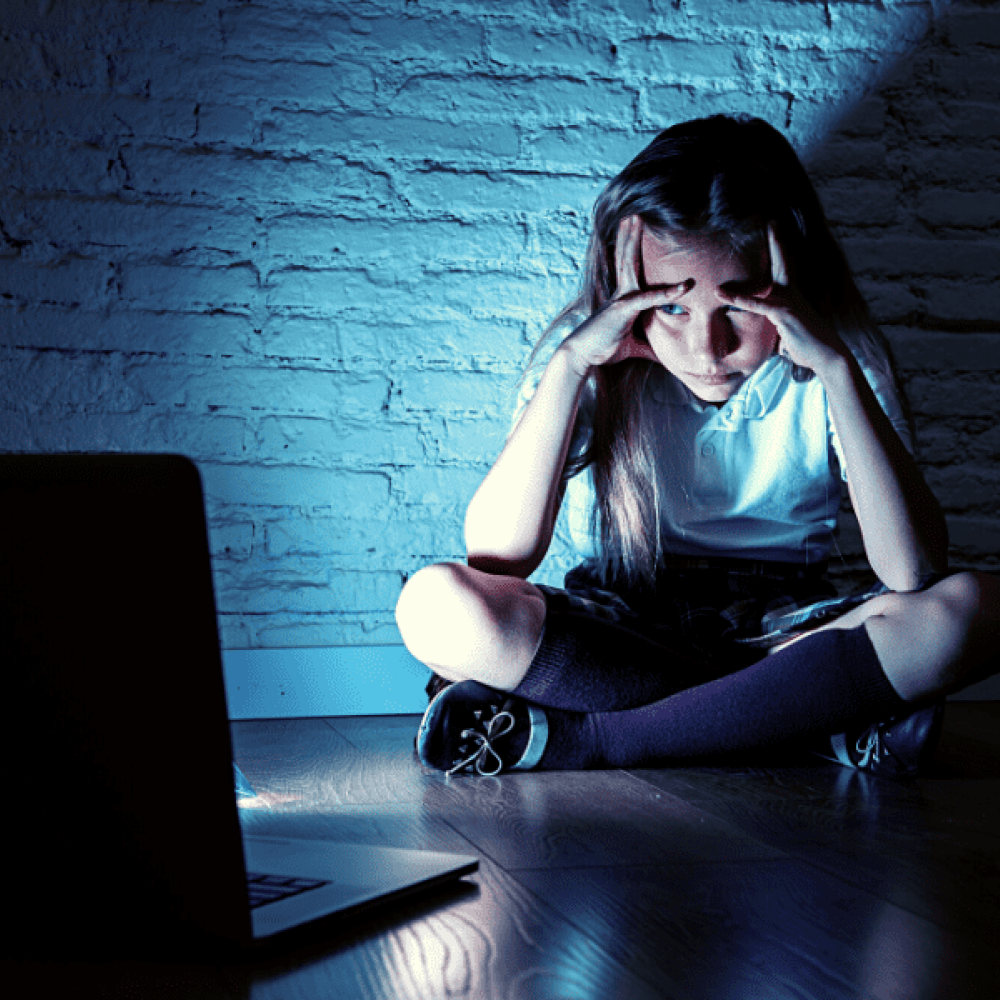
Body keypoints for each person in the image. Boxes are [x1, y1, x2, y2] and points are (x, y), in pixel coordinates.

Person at [396, 114, 1000, 779]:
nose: (707, 349)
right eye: (674, 308)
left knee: (976, 610)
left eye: (740, 306)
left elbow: (910, 570)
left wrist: (833, 369)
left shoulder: (837, 357)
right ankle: (798, 717)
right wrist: (570, 367)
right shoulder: (590, 354)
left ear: (793, 279)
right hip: (626, 625)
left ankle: (591, 738)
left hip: (783, 630)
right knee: (434, 606)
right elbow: (496, 557)